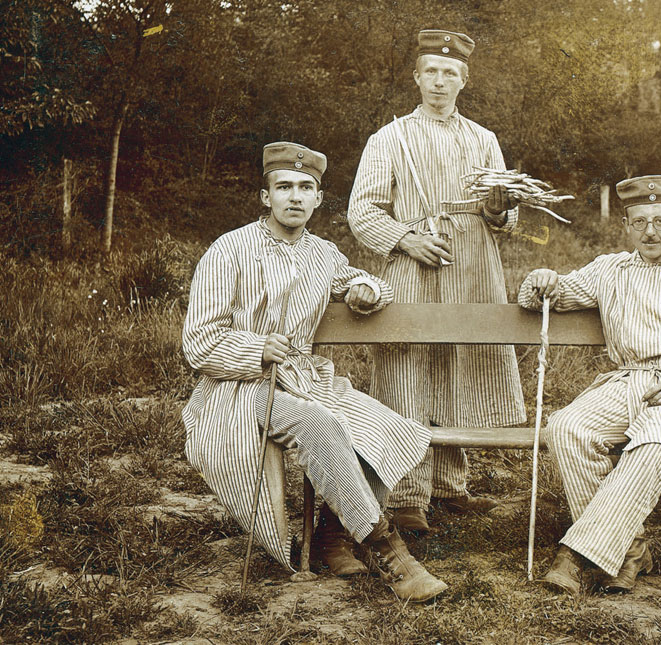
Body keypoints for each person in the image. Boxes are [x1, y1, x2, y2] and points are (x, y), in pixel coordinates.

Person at [181, 142, 446, 602]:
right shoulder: (229, 250)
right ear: (266, 196)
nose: (295, 197)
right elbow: (198, 342)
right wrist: (256, 347)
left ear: (319, 199)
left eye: (306, 188)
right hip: (239, 388)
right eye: (284, 187)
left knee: (387, 426)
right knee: (318, 424)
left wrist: (364, 290)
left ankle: (330, 535)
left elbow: (366, 282)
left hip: (305, 379)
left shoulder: (323, 253)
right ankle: (388, 551)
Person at [519, 176, 661, 594]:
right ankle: (630, 551)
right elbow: (544, 298)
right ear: (625, 225)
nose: (650, 233)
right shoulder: (611, 270)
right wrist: (542, 279)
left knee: (652, 444)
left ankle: (575, 557)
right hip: (630, 382)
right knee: (567, 427)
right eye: (640, 222)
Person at [347, 29, 525, 533]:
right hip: (415, 261)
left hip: (473, 264)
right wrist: (406, 239)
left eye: (450, 73)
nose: (439, 81)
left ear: (463, 80)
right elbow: (362, 211)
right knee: (410, 366)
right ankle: (406, 496)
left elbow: (506, 218)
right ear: (417, 77)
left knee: (461, 361)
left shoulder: (483, 139)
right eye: (431, 72)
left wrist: (499, 209)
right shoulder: (390, 138)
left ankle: (449, 487)